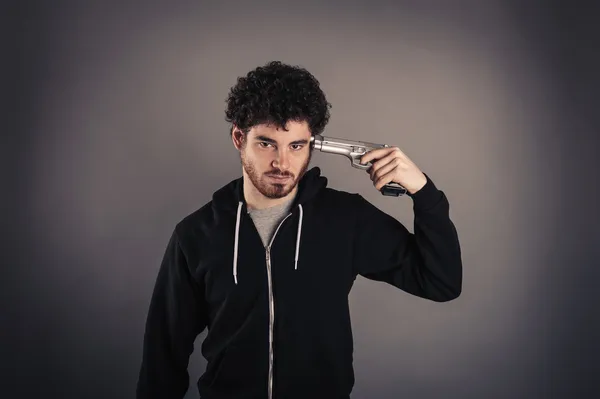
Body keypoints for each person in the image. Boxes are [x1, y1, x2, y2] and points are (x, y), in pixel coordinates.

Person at [136, 61, 462, 399]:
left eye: (296, 145)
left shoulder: (346, 219)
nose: (282, 162)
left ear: (311, 143)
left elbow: (440, 282)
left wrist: (424, 193)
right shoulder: (195, 234)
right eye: (266, 144)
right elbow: (163, 356)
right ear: (238, 137)